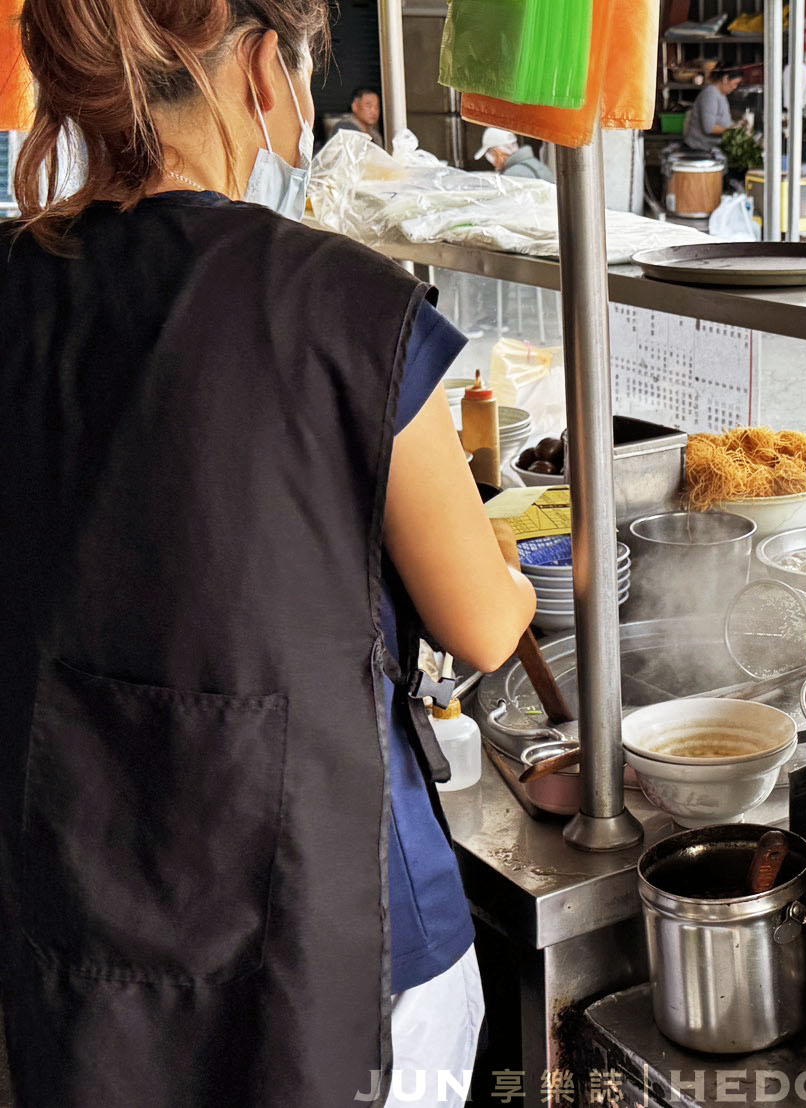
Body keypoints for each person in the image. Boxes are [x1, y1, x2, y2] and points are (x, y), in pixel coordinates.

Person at [0, 2, 536, 1106]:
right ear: (257, 65)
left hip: (74, 915)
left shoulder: (16, 283)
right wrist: (522, 572)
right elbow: (484, 622)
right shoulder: (347, 303)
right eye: (302, 62)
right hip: (329, 942)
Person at [684, 68, 742, 154]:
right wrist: (733, 130)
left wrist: (738, 125)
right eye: (735, 83)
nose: (735, 87)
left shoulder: (721, 95)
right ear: (725, 79)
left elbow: (724, 121)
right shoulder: (710, 94)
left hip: (712, 149)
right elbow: (709, 128)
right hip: (699, 150)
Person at [475, 126, 555, 182]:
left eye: (492, 154)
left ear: (499, 152)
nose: (493, 162)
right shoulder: (536, 165)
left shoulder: (513, 174)